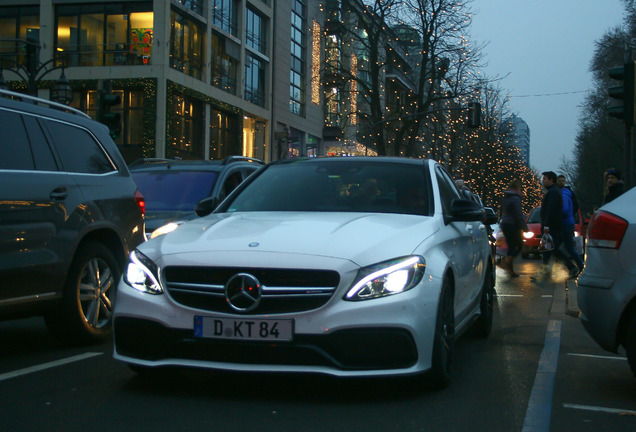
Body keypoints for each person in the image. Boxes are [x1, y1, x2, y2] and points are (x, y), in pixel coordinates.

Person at [536, 171, 579, 280]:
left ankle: (571, 267)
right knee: (547, 249)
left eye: (545, 179)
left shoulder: (553, 193)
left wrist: (546, 225)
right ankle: (543, 272)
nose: (543, 181)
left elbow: (551, 210)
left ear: (551, 180)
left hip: (551, 226)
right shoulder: (553, 191)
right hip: (552, 225)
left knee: (553, 249)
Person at [499, 179, 528, 277]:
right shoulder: (516, 198)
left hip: (506, 224)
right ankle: (507, 263)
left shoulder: (506, 197)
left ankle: (510, 269)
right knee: (519, 246)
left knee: (511, 246)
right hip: (513, 225)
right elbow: (518, 214)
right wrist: (524, 227)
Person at [556, 175, 584, 276]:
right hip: (568, 223)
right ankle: (577, 266)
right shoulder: (568, 193)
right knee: (567, 247)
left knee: (564, 248)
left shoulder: (563, 194)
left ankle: (578, 266)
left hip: (564, 224)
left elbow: (564, 210)